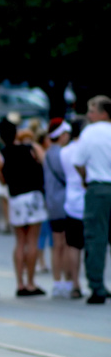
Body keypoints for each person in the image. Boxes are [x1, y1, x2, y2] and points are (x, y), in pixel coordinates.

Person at [0, 128, 48, 296]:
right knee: (32, 241)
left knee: (20, 241)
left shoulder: (1, 154)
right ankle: (31, 282)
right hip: (32, 195)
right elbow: (44, 162)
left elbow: (2, 180)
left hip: (16, 197)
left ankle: (20, 283)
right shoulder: (29, 148)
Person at [75, 95, 111, 304]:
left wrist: (85, 179)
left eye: (92, 110)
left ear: (103, 113)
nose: (89, 114)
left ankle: (96, 285)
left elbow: (78, 161)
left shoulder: (90, 132)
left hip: (98, 187)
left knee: (96, 238)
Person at [43, 120, 72, 297]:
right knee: (67, 244)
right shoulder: (62, 154)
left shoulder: (46, 153)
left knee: (56, 243)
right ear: (61, 135)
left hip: (52, 202)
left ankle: (56, 281)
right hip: (65, 201)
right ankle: (68, 281)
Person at [61, 120, 86, 299]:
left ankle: (75, 282)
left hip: (71, 200)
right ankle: (95, 280)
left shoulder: (65, 151)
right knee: (94, 243)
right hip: (87, 197)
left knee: (73, 244)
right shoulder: (84, 149)